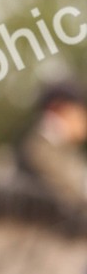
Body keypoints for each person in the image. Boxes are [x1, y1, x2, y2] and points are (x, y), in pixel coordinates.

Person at [15, 78, 87, 207]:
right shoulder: (39, 149)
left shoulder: (64, 149)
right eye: (81, 111)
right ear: (61, 108)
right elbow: (76, 191)